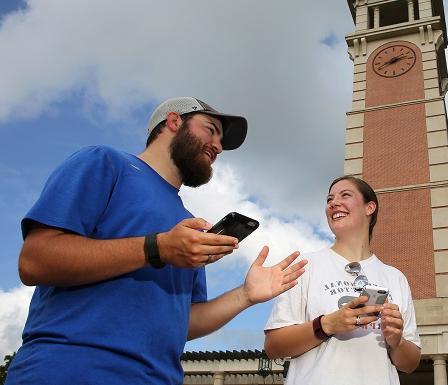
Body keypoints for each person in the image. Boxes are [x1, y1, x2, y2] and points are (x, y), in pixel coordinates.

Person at [6, 97, 307, 385]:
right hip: (71, 370)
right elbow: (35, 260)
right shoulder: (105, 163)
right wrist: (157, 248)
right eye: (211, 131)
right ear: (174, 121)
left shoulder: (188, 226)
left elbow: (183, 322)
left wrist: (245, 295)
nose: (218, 146)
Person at [264, 176, 421, 385]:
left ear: (369, 207)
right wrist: (327, 324)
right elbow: (274, 347)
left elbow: (409, 364)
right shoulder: (306, 266)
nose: (333, 203)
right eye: (329, 199)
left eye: (345, 195)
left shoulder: (395, 277)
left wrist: (397, 340)